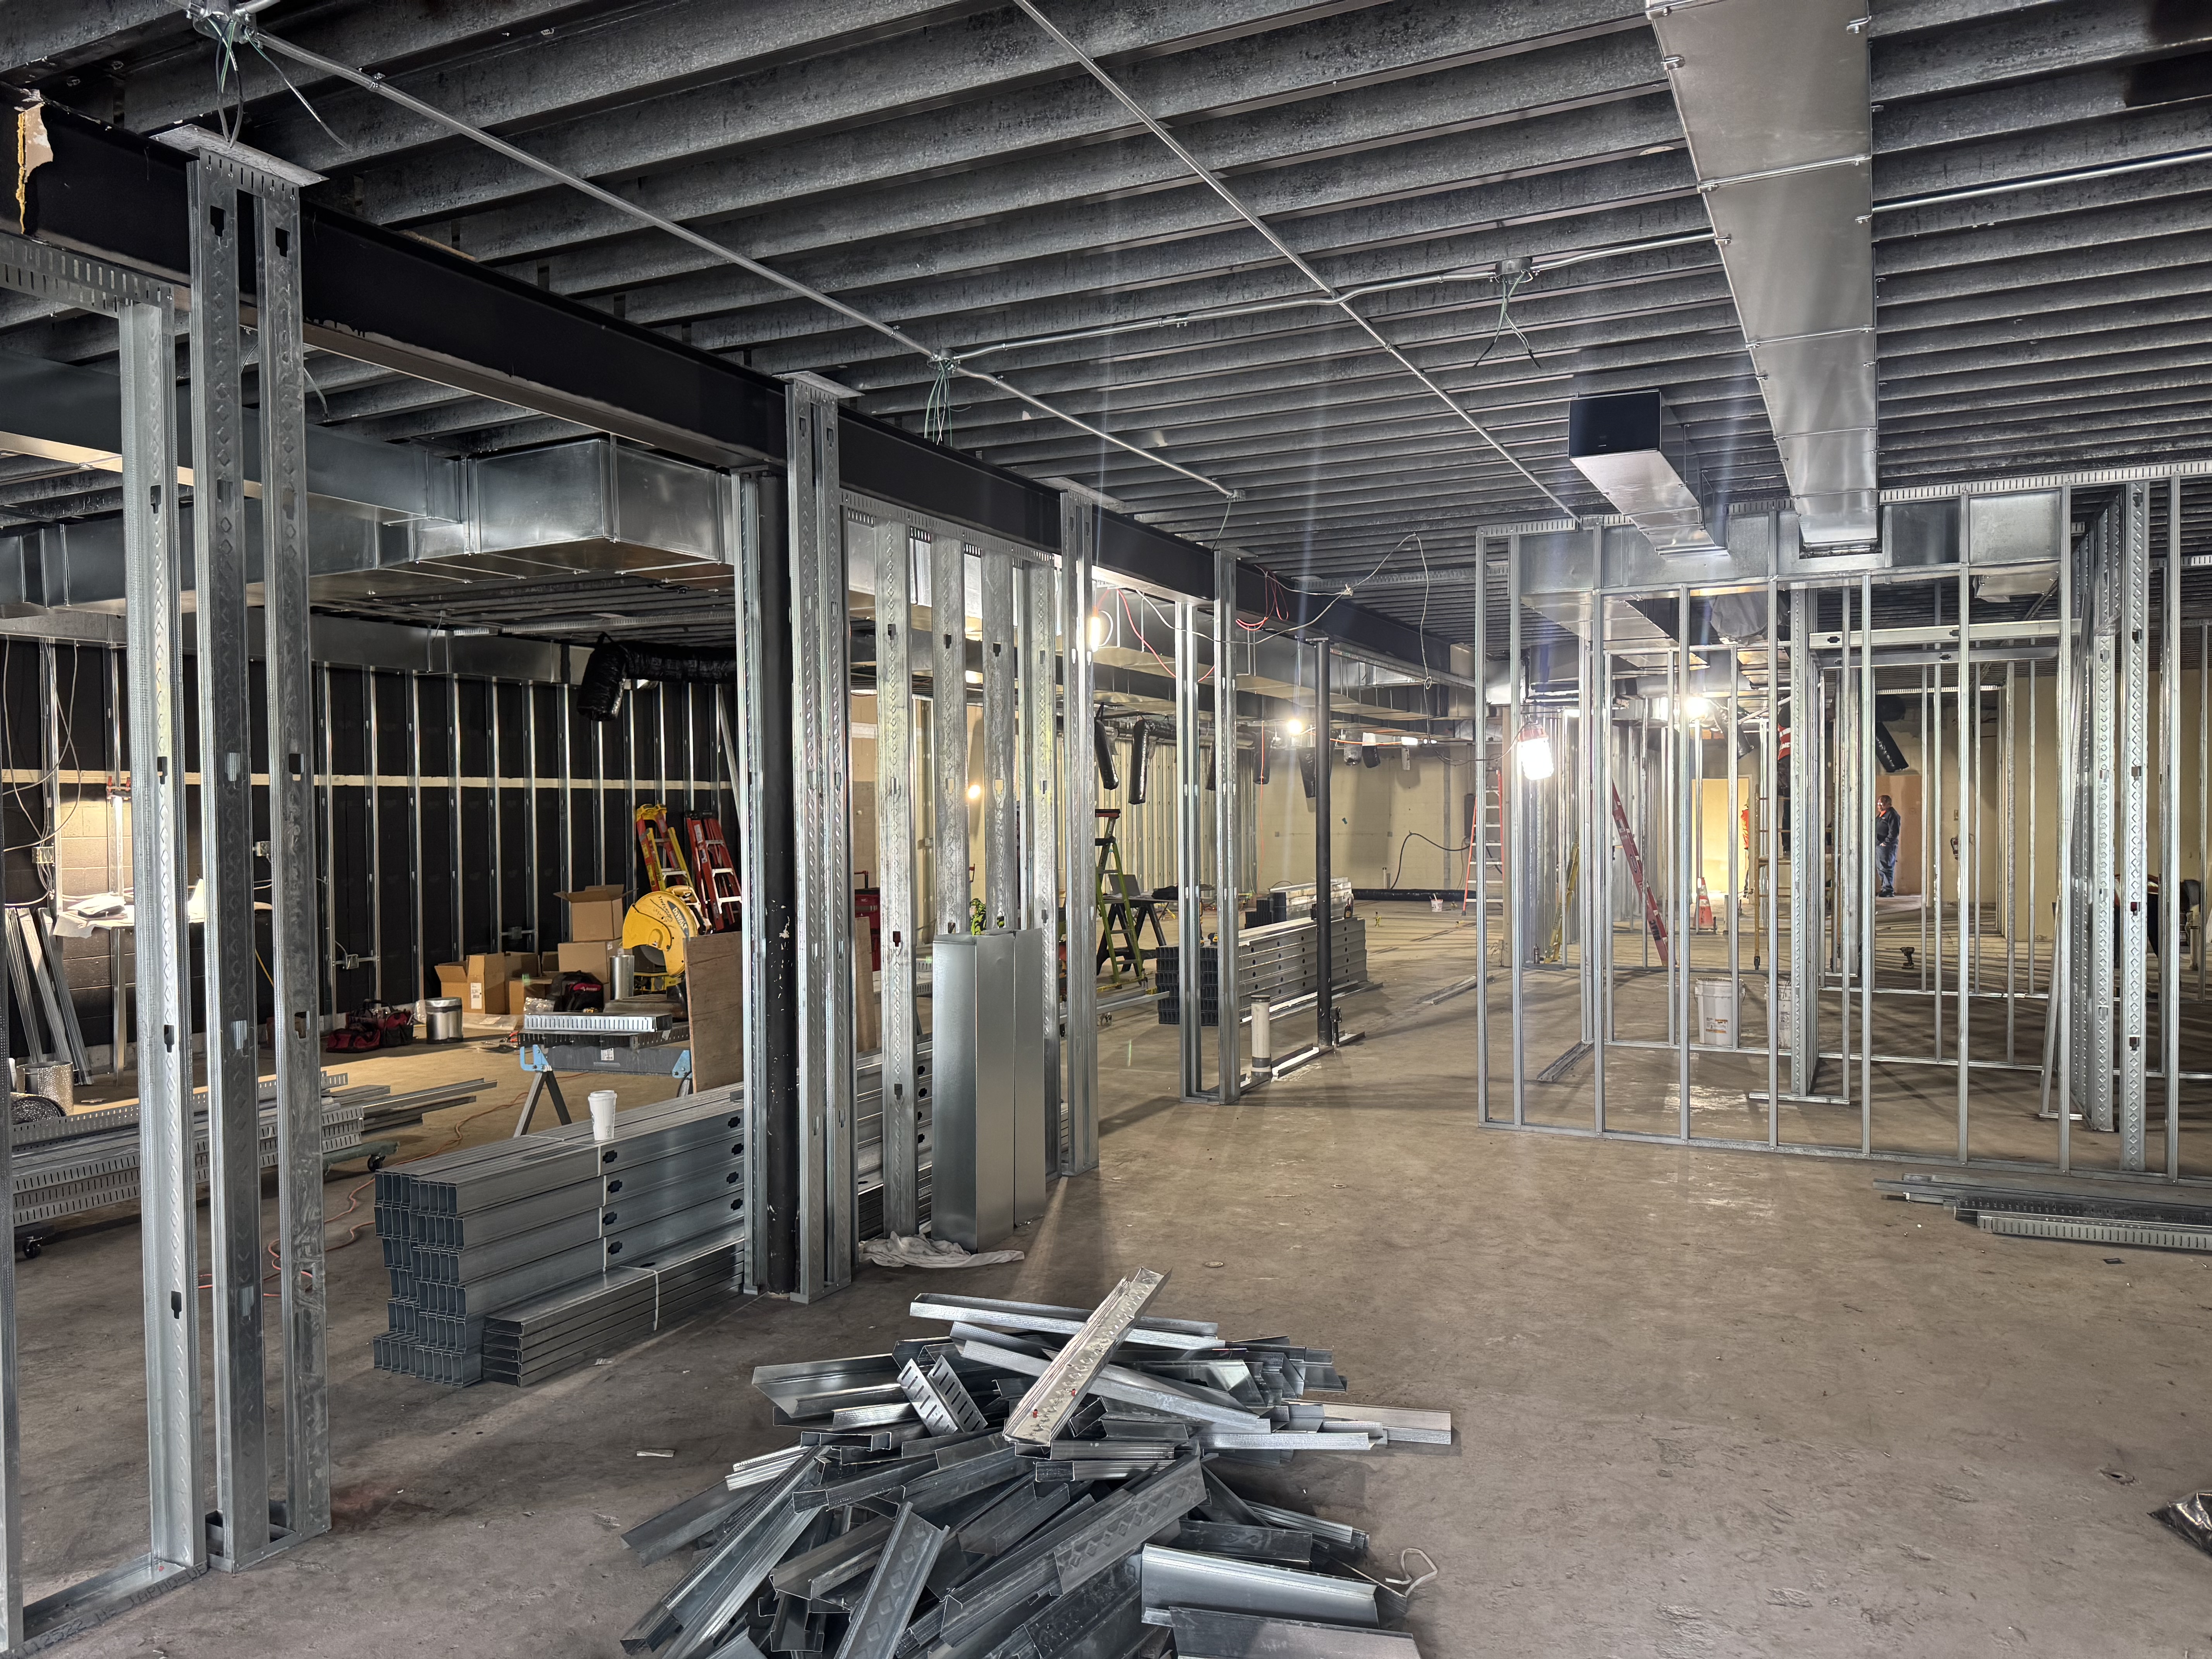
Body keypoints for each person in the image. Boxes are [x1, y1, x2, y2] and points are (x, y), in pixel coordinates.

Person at [1874, 794, 1901, 897]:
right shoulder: (1881, 815)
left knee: (1887, 867)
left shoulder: (1892, 815)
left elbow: (1894, 832)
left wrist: (1886, 843)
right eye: (1878, 803)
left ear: (1888, 804)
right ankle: (1884, 888)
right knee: (1881, 868)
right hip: (1879, 846)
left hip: (1887, 847)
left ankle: (1888, 890)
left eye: (1882, 803)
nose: (1879, 805)